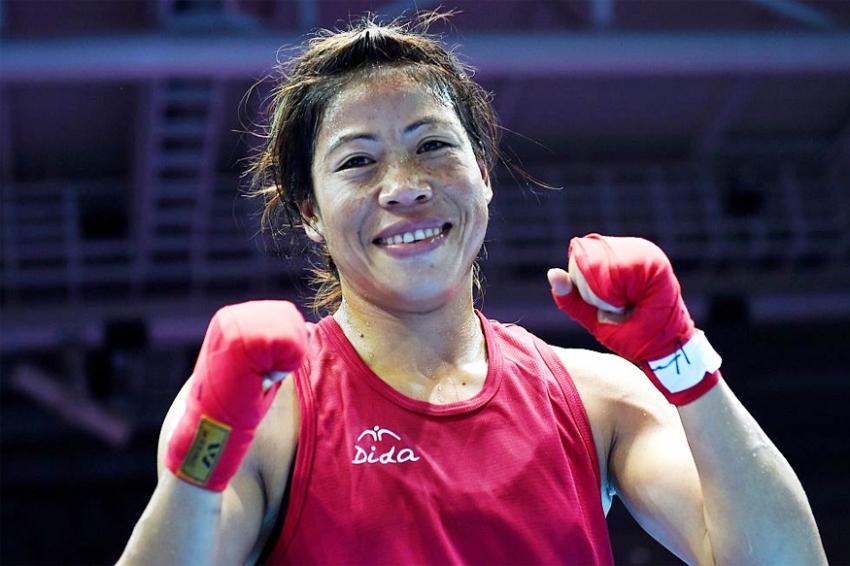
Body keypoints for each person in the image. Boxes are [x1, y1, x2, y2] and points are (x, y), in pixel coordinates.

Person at [118, 12, 826, 565]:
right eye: (358, 162)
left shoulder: (596, 397)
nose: (405, 187)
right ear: (310, 212)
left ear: (483, 174)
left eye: (432, 145)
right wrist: (206, 449)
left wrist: (683, 360)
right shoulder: (268, 409)